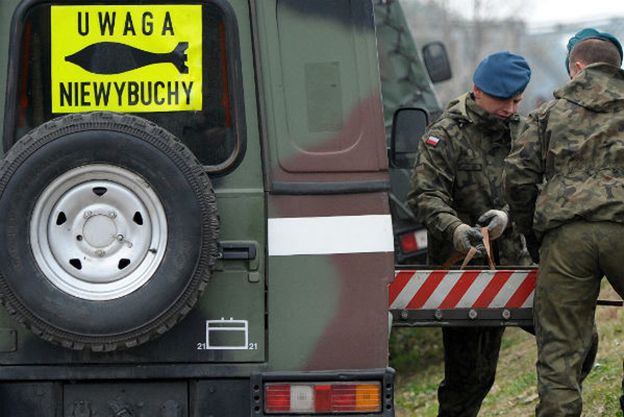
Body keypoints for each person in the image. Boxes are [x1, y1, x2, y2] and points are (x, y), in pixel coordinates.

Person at [504, 28, 624, 417]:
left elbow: (518, 177)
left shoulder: (548, 114)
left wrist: (532, 233)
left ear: (577, 67)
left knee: (560, 348)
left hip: (566, 238)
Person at [408, 51, 534, 417]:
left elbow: (537, 185)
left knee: (577, 342)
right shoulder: (444, 135)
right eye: (502, 100)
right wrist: (457, 230)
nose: (510, 109)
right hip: (464, 274)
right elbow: (424, 194)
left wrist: (508, 217)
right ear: (478, 91)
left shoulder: (523, 132)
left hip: (518, 267)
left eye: (516, 101)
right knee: (470, 379)